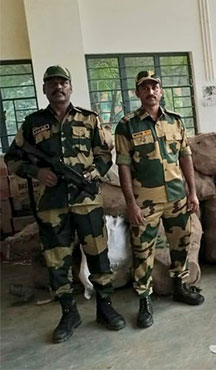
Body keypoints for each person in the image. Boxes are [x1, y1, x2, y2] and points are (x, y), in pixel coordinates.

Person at [4, 65, 125, 343]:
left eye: (63, 82)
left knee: (98, 255)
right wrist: (37, 173)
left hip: (87, 202)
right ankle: (69, 313)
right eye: (52, 83)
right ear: (45, 89)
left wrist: (94, 172)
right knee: (56, 260)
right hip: (53, 205)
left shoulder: (89, 119)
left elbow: (105, 156)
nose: (58, 87)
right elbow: (13, 158)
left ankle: (104, 307)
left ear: (70, 87)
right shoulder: (33, 124)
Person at [115, 70, 204, 329]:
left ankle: (180, 286)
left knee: (181, 245)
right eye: (145, 88)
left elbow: (186, 157)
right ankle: (144, 300)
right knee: (143, 251)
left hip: (177, 197)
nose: (150, 91)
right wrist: (130, 203)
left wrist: (193, 192)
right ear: (137, 93)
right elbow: (123, 167)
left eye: (154, 87)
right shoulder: (127, 125)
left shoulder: (176, 121)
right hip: (146, 202)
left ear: (161, 91)